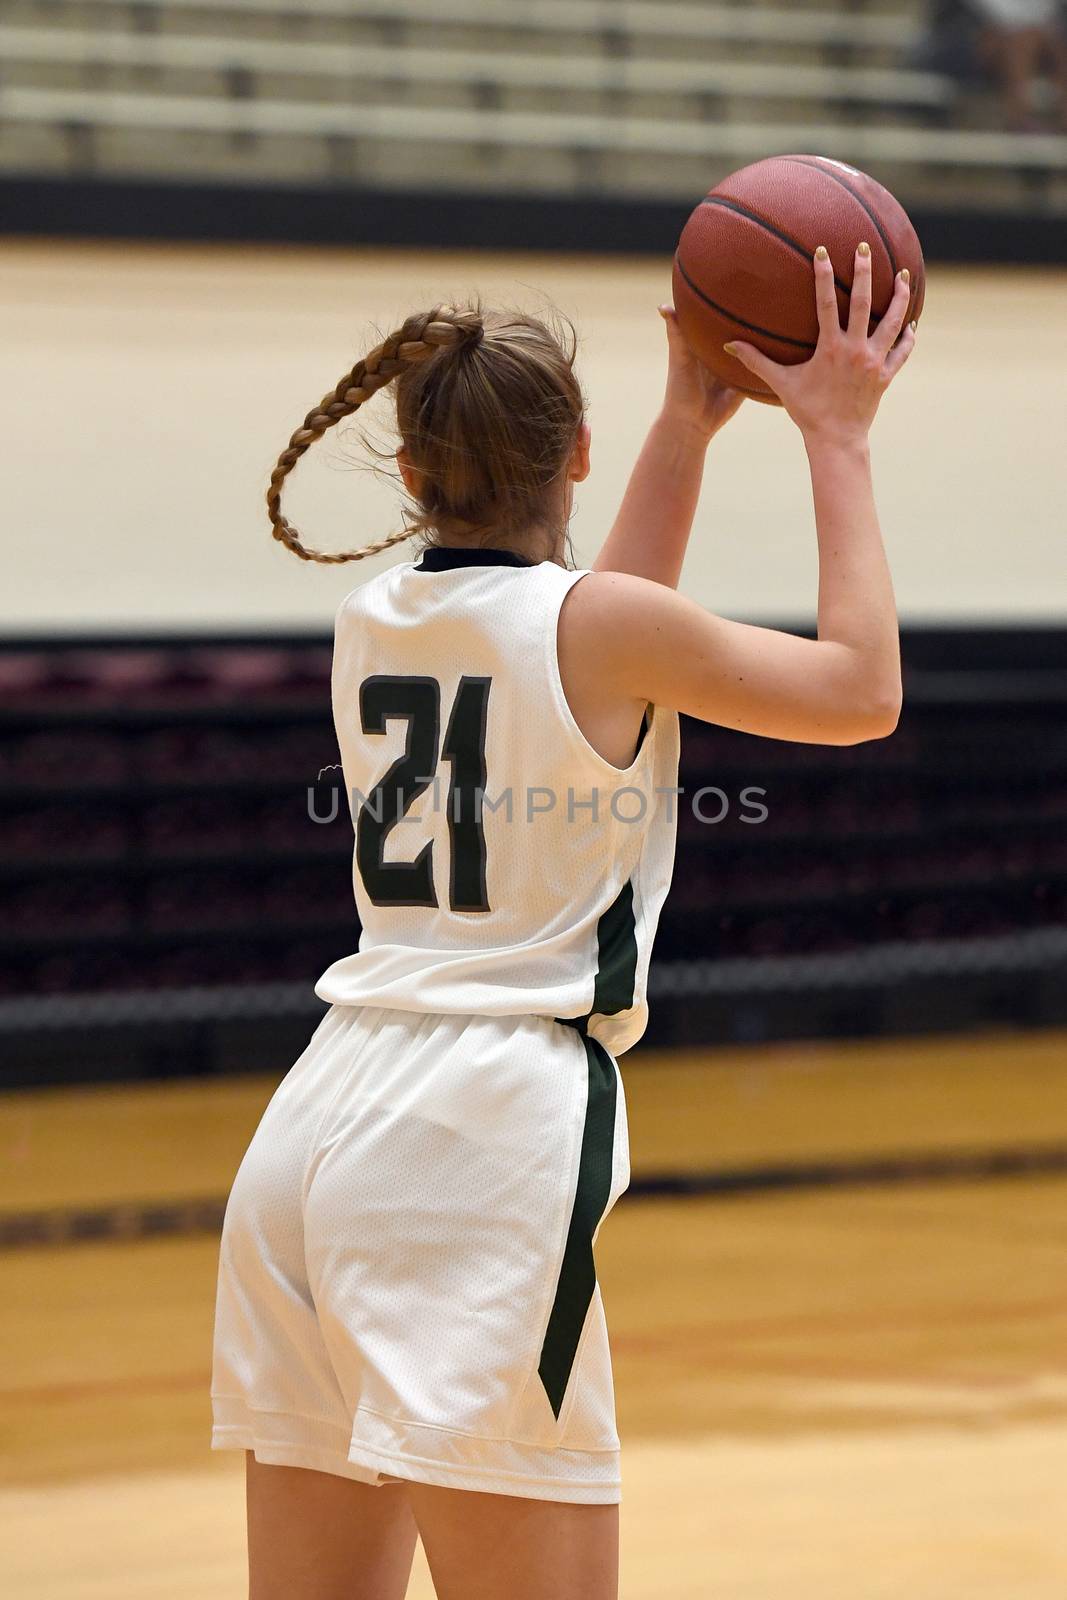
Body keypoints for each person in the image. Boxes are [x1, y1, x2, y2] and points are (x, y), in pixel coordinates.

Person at [210, 245, 916, 1600]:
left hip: (307, 1134)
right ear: (572, 453)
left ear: (411, 474)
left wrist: (683, 423)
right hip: (470, 1148)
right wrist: (835, 433)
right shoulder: (592, 630)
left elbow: (590, 625)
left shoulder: (371, 619)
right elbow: (858, 688)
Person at [968, 0, 1067, 129]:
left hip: (1040, 39)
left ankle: (1062, 119)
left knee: (1054, 45)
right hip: (976, 42)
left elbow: (1050, 20)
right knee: (1023, 41)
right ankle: (1018, 118)